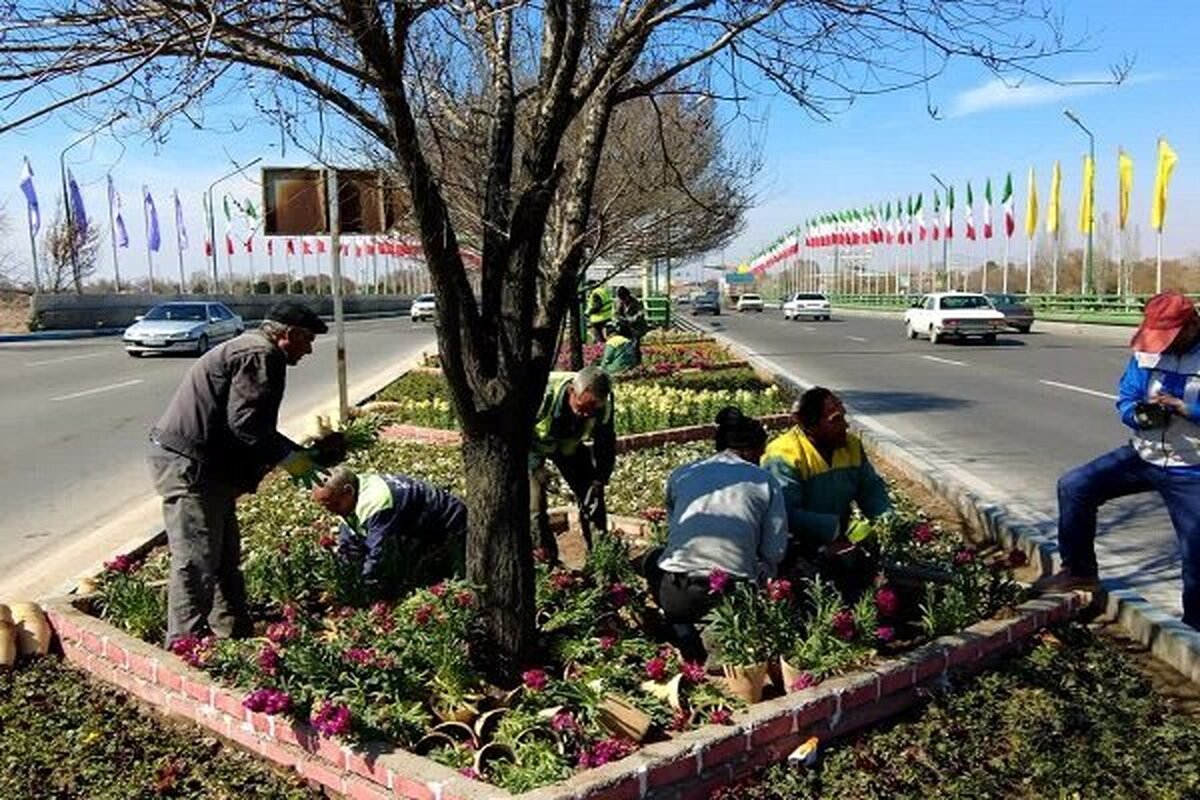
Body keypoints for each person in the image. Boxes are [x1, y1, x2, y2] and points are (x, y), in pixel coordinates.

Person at [148, 302, 337, 646]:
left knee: (223, 557)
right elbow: (247, 426)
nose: (309, 349)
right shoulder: (261, 354)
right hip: (190, 467)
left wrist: (298, 455)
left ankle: (232, 634)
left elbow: (250, 427)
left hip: (208, 468)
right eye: (307, 339)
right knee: (197, 558)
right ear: (289, 335)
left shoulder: (253, 349)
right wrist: (293, 461)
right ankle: (182, 645)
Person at [1047, 292, 1200, 629]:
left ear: (1191, 326)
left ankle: (1193, 633)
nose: (1163, 346)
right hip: (1144, 455)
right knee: (1075, 486)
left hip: (1192, 468)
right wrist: (1139, 415)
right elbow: (1127, 395)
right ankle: (1080, 571)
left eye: (1171, 337)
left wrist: (1185, 409)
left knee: (1196, 556)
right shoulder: (1146, 354)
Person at [642, 409, 787, 662]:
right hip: (731, 594)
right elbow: (774, 551)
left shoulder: (682, 473)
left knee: (653, 560)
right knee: (764, 569)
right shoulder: (764, 481)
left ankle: (682, 629)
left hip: (677, 592)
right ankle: (723, 636)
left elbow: (674, 529)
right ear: (752, 449)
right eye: (761, 453)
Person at [761, 387, 891, 589]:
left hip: (840, 540)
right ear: (811, 425)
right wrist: (837, 528)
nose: (845, 426)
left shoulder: (851, 446)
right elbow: (785, 514)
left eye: (843, 417)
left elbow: (871, 489)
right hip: (796, 547)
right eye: (835, 420)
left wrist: (886, 522)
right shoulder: (784, 454)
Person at [312, 467, 468, 593]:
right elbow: (350, 542)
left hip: (449, 524)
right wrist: (344, 576)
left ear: (348, 491)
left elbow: (378, 554)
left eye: (333, 505)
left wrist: (362, 588)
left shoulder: (376, 503)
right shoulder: (350, 493)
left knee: (447, 576)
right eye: (325, 506)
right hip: (419, 525)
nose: (330, 511)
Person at [530, 366, 616, 561]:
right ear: (571, 391)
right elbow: (517, 433)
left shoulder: (603, 404)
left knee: (591, 496)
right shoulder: (543, 392)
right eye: (582, 407)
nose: (587, 414)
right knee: (534, 503)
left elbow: (606, 442)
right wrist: (535, 466)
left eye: (592, 410)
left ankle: (600, 556)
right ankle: (546, 560)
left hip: (569, 445)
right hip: (534, 445)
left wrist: (600, 478)